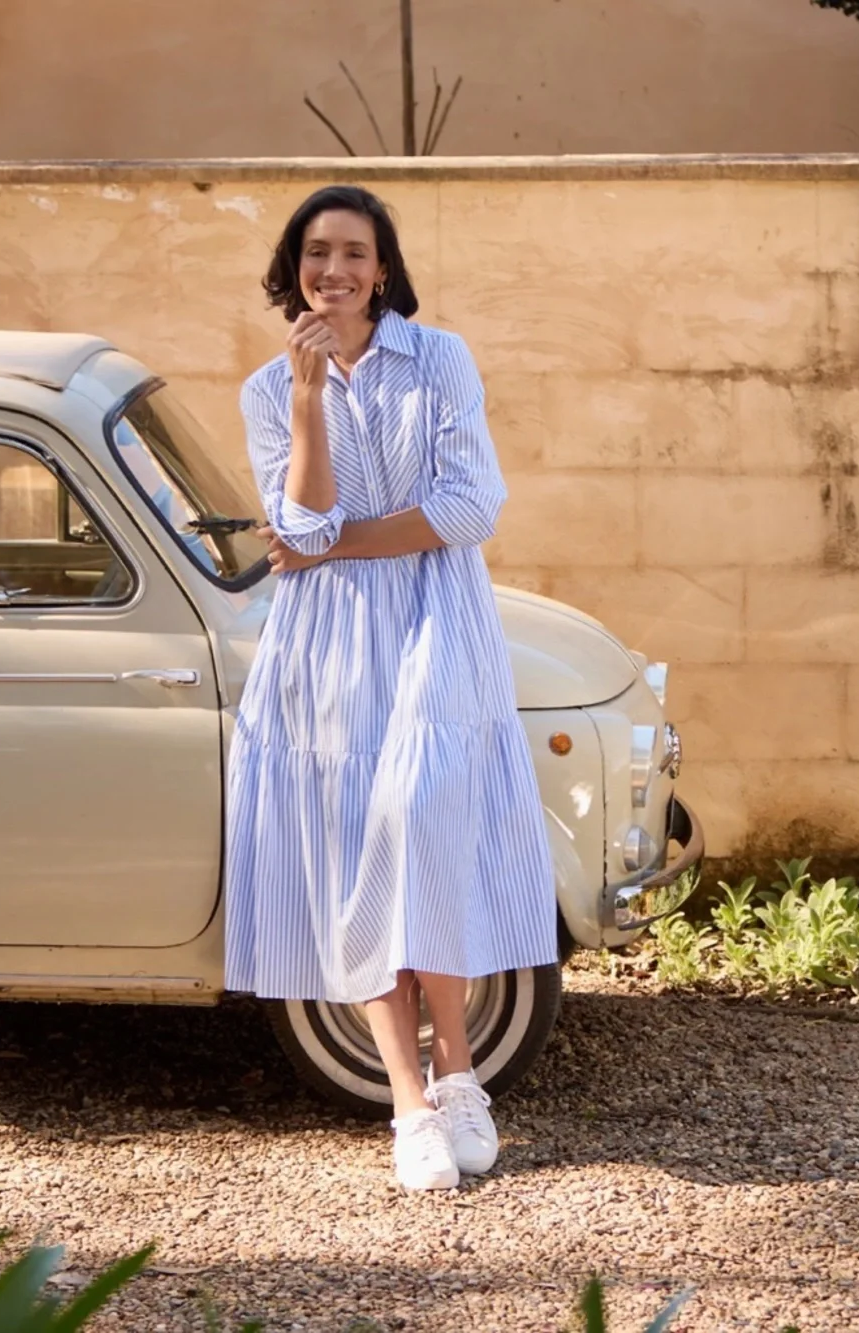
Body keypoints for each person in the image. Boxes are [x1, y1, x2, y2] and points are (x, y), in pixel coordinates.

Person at [224, 185, 557, 1191]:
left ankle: (462, 1075)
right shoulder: (264, 391)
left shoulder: (439, 358)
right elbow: (306, 527)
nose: (334, 270)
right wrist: (307, 397)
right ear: (296, 265)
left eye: (354, 253)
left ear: (381, 268)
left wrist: (331, 548)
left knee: (422, 821)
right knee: (350, 848)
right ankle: (409, 1100)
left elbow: (468, 506)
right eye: (317, 252)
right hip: (324, 648)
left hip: (435, 626)